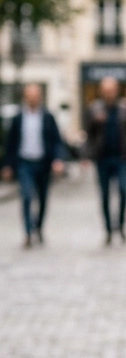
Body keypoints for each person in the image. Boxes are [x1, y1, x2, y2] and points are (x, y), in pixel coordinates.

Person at [1, 83, 65, 247]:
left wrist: (58, 160)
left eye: (35, 96)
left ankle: (39, 227)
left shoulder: (48, 117)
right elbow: (11, 143)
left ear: (40, 97)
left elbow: (57, 141)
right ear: (25, 97)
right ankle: (28, 232)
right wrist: (7, 165)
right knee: (27, 196)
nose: (33, 99)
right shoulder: (18, 118)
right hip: (24, 163)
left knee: (42, 199)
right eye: (30, 96)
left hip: (43, 163)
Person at [85, 76, 126, 244]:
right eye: (106, 90)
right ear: (101, 91)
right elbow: (89, 134)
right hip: (102, 158)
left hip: (121, 158)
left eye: (112, 90)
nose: (109, 93)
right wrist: (95, 122)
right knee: (105, 195)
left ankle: (120, 226)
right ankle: (108, 230)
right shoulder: (94, 108)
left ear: (116, 90)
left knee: (123, 191)